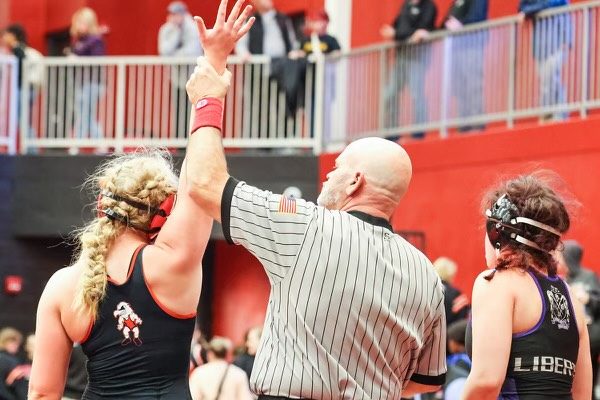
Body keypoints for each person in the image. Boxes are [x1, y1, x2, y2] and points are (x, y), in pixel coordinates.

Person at [185, 2, 446, 398]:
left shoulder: (305, 226)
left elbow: (204, 183)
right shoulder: (426, 274)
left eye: (338, 167)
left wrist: (209, 92)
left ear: (355, 181)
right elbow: (424, 382)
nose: (328, 173)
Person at [28, 148, 217, 397]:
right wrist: (207, 107)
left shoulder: (62, 286)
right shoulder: (174, 263)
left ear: (101, 206)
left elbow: (42, 394)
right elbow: (203, 178)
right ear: (162, 217)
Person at [462, 174, 592, 399]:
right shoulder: (571, 298)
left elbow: (486, 381)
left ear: (496, 233)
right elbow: (582, 393)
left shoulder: (497, 283)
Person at [380, 0, 437, 140]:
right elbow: (397, 28)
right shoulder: (406, 5)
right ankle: (392, 133)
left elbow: (422, 30)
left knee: (417, 94)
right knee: (390, 93)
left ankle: (418, 132)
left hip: (417, 56)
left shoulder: (429, 6)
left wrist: (398, 34)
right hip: (401, 56)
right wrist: (397, 33)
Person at [518, 0, 571, 122]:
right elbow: (522, 5)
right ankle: (554, 114)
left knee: (550, 78)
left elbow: (550, 2)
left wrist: (527, 11)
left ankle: (552, 114)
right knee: (547, 80)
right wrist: (526, 10)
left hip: (557, 39)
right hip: (540, 44)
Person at [441, 0, 488, 132]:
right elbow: (447, 21)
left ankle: (476, 124)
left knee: (473, 85)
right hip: (457, 48)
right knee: (460, 87)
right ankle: (464, 125)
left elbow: (478, 18)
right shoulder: (456, 2)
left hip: (472, 45)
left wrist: (461, 25)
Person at [158, 1, 204, 139]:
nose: (174, 17)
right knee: (179, 109)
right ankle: (179, 141)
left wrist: (174, 56)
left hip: (193, 78)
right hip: (177, 78)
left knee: (193, 110)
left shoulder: (193, 28)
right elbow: (164, 51)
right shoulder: (167, 29)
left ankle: (193, 139)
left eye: (177, 14)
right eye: (172, 14)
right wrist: (176, 32)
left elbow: (193, 51)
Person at [562, 240, 600, 400]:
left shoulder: (588, 276)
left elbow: (597, 301)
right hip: (573, 336)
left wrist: (587, 299)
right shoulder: (565, 278)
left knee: (587, 377)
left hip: (591, 336)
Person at [69, 7, 106, 145]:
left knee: (85, 115)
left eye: (82, 22)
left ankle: (77, 145)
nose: (79, 25)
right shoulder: (78, 41)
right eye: (78, 22)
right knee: (86, 115)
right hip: (81, 83)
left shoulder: (95, 40)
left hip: (92, 83)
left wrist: (78, 60)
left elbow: (97, 61)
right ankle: (100, 144)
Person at [432, 257, 470, 326]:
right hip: (449, 333)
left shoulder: (429, 290)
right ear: (450, 274)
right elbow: (466, 315)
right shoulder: (456, 294)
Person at [0, 327, 28, 400]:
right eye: (14, 342)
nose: (17, 346)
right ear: (5, 342)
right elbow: (19, 386)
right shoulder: (9, 360)